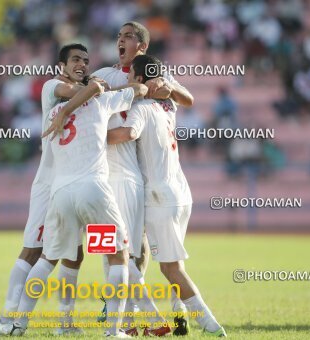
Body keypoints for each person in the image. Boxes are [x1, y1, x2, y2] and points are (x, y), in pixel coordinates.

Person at [9, 78, 147, 337]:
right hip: (93, 191)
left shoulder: (52, 113)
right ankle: (113, 331)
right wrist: (116, 87)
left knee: (48, 258)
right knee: (118, 254)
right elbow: (138, 90)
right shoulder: (100, 102)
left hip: (61, 194)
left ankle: (18, 323)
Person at [107, 55, 227, 337]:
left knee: (166, 267)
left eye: (130, 76)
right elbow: (183, 98)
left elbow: (129, 133)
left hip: (158, 195)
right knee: (168, 262)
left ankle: (209, 324)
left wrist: (94, 135)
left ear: (138, 78)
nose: (126, 80)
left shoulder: (144, 107)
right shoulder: (167, 104)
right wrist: (166, 86)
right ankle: (174, 315)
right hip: (180, 192)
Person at [0, 43, 105, 336]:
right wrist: (97, 84)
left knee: (75, 255)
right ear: (62, 66)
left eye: (85, 60)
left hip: (74, 183)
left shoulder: (88, 97)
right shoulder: (53, 86)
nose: (81, 64)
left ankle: (65, 323)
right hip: (49, 183)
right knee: (33, 250)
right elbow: (76, 93)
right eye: (75, 60)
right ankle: (7, 317)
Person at [92, 21, 194, 335]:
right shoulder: (105, 75)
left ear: (143, 47)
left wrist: (170, 88)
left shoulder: (155, 75)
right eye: (118, 35)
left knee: (150, 251)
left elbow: (187, 98)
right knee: (117, 248)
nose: (120, 40)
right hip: (114, 174)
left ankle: (157, 318)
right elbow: (87, 91)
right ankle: (124, 313)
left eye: (128, 36)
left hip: (145, 177)